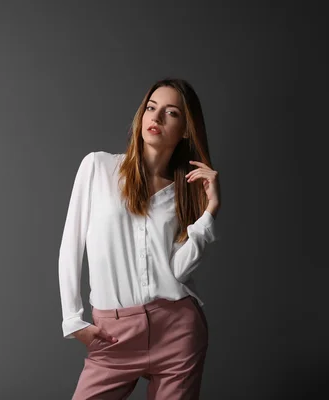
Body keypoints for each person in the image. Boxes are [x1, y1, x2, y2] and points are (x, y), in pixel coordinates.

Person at [58, 78, 221, 399]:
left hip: (176, 329)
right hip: (113, 333)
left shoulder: (186, 194)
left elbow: (176, 272)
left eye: (171, 113)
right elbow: (70, 246)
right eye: (151, 108)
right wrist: (72, 319)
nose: (156, 118)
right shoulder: (98, 167)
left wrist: (210, 211)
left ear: (186, 129)